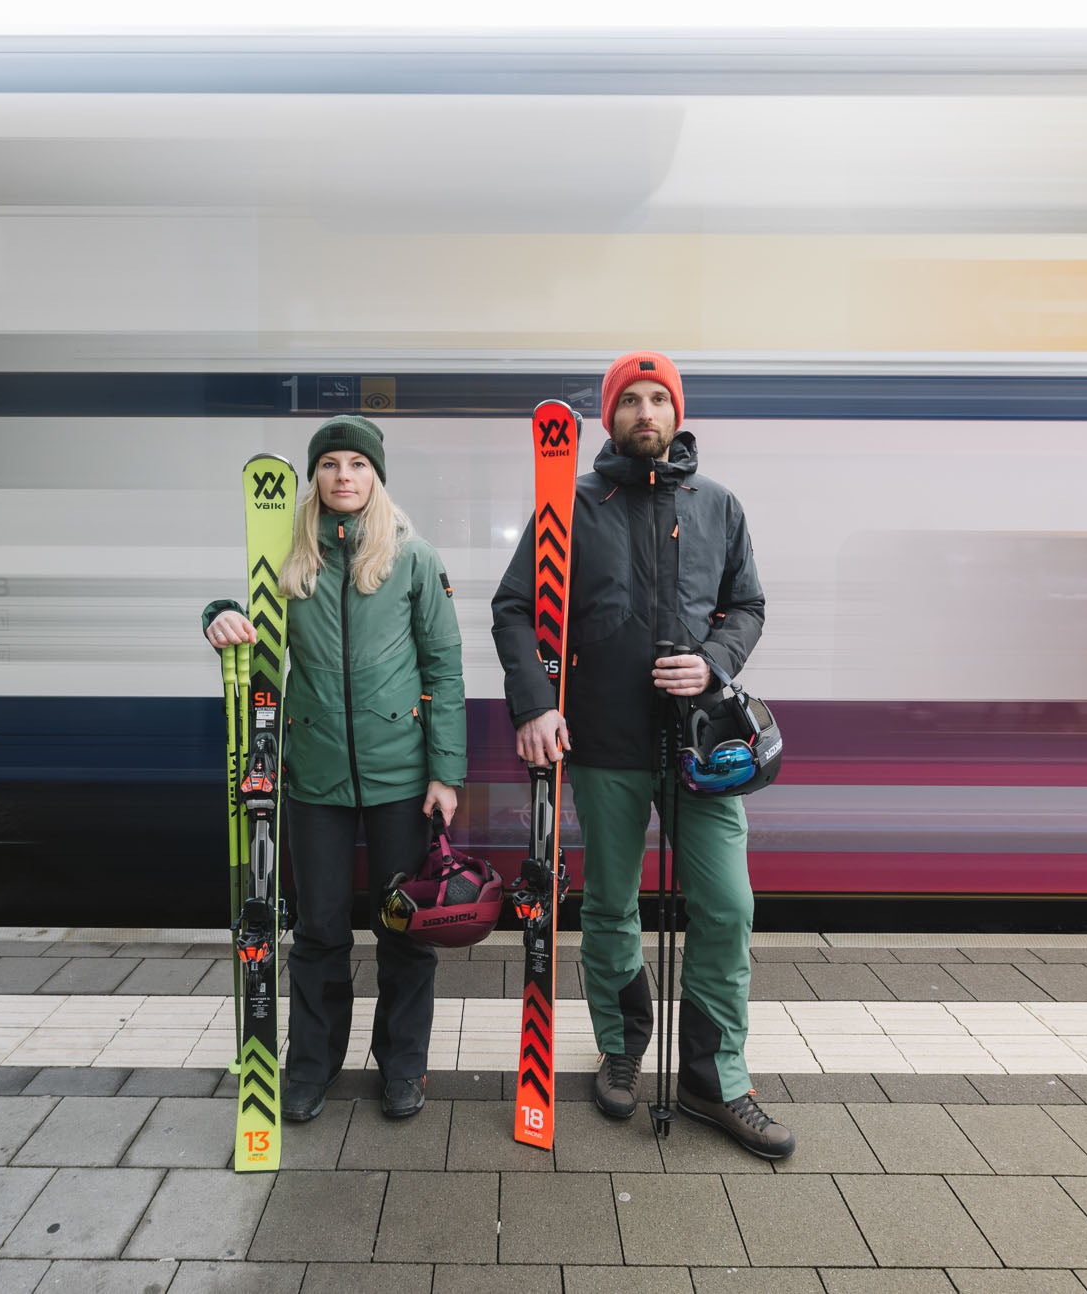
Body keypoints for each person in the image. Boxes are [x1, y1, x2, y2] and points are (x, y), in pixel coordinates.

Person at [490, 352, 795, 1160]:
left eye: (661, 399)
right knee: (612, 906)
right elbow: (515, 608)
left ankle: (712, 1075)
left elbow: (749, 605)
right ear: (611, 416)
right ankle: (622, 1045)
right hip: (605, 744)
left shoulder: (718, 505)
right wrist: (535, 704)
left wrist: (716, 661)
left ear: (677, 414)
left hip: (700, 747)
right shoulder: (571, 505)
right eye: (633, 400)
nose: (648, 412)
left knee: (727, 907)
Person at [204, 415, 466, 1122]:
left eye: (356, 463)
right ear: (314, 477)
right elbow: (244, 615)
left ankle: (402, 1066)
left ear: (375, 475)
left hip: (400, 777)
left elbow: (443, 667)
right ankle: (312, 1066)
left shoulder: (412, 558)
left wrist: (445, 773)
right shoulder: (289, 559)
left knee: (404, 928)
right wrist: (219, 614)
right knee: (318, 930)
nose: (343, 475)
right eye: (330, 464)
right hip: (313, 773)